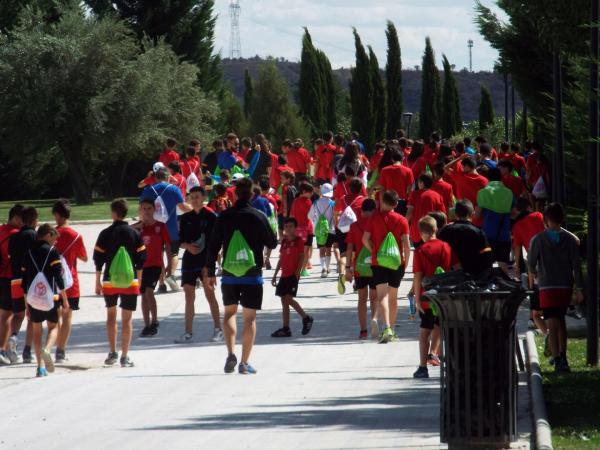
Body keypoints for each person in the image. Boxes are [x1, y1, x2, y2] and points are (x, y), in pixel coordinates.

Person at [205, 177, 278, 374]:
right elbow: (272, 243)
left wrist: (210, 271)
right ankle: (244, 363)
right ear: (253, 194)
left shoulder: (225, 216)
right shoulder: (258, 215)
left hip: (229, 273)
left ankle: (230, 353)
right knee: (249, 319)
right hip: (252, 274)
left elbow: (212, 246)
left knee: (229, 313)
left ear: (235, 194)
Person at [528, 203, 584, 373]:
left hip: (547, 286)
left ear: (545, 219)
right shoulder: (570, 240)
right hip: (564, 285)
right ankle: (563, 356)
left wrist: (536, 274)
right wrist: (579, 288)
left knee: (551, 322)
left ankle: (557, 358)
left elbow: (530, 263)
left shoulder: (538, 239)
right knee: (560, 320)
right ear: (563, 219)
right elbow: (576, 265)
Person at [93, 199, 146, 368]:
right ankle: (125, 355)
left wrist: (98, 281)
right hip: (130, 281)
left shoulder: (105, 233)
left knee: (111, 315)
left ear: (114, 213)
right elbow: (141, 259)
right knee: (127, 319)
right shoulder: (134, 233)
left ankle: (112, 351)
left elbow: (98, 258)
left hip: (109, 280)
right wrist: (139, 279)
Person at [22, 224, 70, 377]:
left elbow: (24, 281)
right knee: (54, 327)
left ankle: (40, 367)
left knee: (37, 331)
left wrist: (26, 302)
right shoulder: (52, 251)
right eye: (54, 238)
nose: (55, 242)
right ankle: (47, 349)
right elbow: (58, 277)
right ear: (48, 234)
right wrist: (65, 299)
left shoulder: (28, 252)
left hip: (33, 298)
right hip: (51, 298)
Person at [362, 190, 410, 343]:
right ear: (396, 204)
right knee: (393, 298)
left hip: (379, 262)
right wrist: (406, 262)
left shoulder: (374, 218)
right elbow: (406, 244)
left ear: (382, 201)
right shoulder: (402, 220)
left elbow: (365, 239)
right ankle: (393, 330)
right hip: (397, 262)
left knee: (382, 295)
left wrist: (374, 251)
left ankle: (386, 327)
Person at [177, 186, 223, 344]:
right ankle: (188, 332)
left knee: (210, 294)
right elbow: (180, 242)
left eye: (198, 196)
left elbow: (216, 243)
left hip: (206, 261)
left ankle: (218, 329)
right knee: (189, 296)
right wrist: (188, 246)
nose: (195, 199)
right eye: (192, 197)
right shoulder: (185, 218)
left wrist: (211, 265)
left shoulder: (211, 216)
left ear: (203, 197)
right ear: (189, 199)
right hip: (189, 261)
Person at [412, 216, 453, 379]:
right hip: (444, 296)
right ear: (436, 229)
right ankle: (446, 363)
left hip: (428, 298)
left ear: (421, 232)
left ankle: (423, 367)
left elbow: (418, 276)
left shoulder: (421, 251)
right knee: (444, 329)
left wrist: (417, 298)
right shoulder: (446, 247)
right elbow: (455, 268)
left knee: (424, 333)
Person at [140, 167, 192, 291]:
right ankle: (172, 275)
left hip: (153, 229)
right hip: (171, 228)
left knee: (159, 256)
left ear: (156, 177)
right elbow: (182, 207)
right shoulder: (174, 189)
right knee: (173, 253)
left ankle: (161, 283)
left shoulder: (148, 190)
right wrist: (196, 210)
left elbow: (141, 210)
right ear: (168, 177)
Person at [53, 200, 87, 363]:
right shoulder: (76, 235)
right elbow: (84, 257)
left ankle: (49, 345)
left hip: (52, 282)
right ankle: (60, 351)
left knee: (54, 317)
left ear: (57, 215)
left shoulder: (50, 234)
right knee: (67, 317)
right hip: (70, 282)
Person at [133, 198, 171, 337]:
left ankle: (154, 321)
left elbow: (167, 245)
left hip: (155, 264)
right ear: (140, 210)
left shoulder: (160, 226)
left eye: (149, 208)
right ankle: (147, 324)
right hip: (141, 266)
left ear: (154, 209)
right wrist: (136, 227)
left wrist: (169, 264)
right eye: (144, 209)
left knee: (149, 291)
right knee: (143, 295)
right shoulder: (137, 227)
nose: (147, 211)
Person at [270, 218, 314, 337]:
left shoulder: (299, 241)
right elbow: (281, 259)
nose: (288, 228)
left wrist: (297, 272)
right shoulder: (284, 242)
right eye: (286, 226)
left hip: (293, 275)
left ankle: (306, 318)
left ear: (295, 228)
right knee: (283, 301)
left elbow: (302, 257)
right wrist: (275, 275)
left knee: (288, 299)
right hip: (283, 275)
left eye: (290, 226)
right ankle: (286, 328)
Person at [512, 197, 547, 334]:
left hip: (533, 262)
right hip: (549, 256)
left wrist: (516, 265)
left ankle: (537, 316)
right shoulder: (538, 215)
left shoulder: (517, 226)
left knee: (535, 288)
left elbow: (517, 247)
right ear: (528, 207)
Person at [9, 206, 39, 363]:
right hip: (29, 280)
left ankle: (13, 337)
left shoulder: (14, 237)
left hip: (14, 279)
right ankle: (27, 350)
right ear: (33, 220)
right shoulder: (34, 236)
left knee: (18, 314)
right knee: (32, 316)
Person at [345, 199, 378, 339]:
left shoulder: (354, 226)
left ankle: (363, 331)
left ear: (361, 210)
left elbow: (349, 248)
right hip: (375, 265)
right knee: (375, 298)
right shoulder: (376, 224)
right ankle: (375, 320)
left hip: (360, 266)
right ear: (373, 210)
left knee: (362, 299)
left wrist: (347, 267)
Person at [438, 199, 493, 277]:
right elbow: (487, 258)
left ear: (455, 214)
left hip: (449, 277)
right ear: (472, 214)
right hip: (474, 276)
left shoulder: (445, 232)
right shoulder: (479, 232)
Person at [476, 168, 513, 273]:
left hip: (488, 235)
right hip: (505, 234)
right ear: (500, 178)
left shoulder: (482, 193)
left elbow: (477, 215)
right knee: (503, 264)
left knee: (487, 263)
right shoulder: (509, 192)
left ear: (488, 178)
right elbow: (513, 213)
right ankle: (503, 285)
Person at [0, 204, 24, 365]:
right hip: (12, 277)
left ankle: (6, 346)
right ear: (15, 217)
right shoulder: (16, 234)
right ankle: (5, 348)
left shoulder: (1, 230)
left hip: (1, 276)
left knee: (5, 313)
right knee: (15, 313)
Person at [406, 174, 446, 248]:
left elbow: (410, 212)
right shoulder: (437, 196)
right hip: (432, 229)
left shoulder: (414, 194)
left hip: (417, 231)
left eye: (418, 182)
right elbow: (442, 215)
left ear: (422, 183)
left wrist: (405, 223)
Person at [376, 146, 414, 215]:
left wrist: (381, 205)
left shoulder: (384, 170)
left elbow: (382, 190)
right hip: (402, 203)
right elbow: (410, 190)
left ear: (392, 159)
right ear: (403, 158)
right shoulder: (408, 171)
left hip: (387, 201)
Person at [309, 183, 336, 277]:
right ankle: (328, 267)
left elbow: (310, 216)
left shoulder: (316, 202)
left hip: (320, 229)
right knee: (329, 249)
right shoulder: (333, 203)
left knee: (321, 249)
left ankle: (323, 268)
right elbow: (335, 216)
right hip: (331, 229)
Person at [290, 182, 315, 271]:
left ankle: (297, 268)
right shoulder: (308, 202)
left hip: (297, 229)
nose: (312, 194)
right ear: (304, 191)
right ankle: (303, 269)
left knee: (298, 251)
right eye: (310, 192)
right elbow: (311, 216)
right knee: (306, 250)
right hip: (308, 229)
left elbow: (292, 215)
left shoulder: (295, 201)